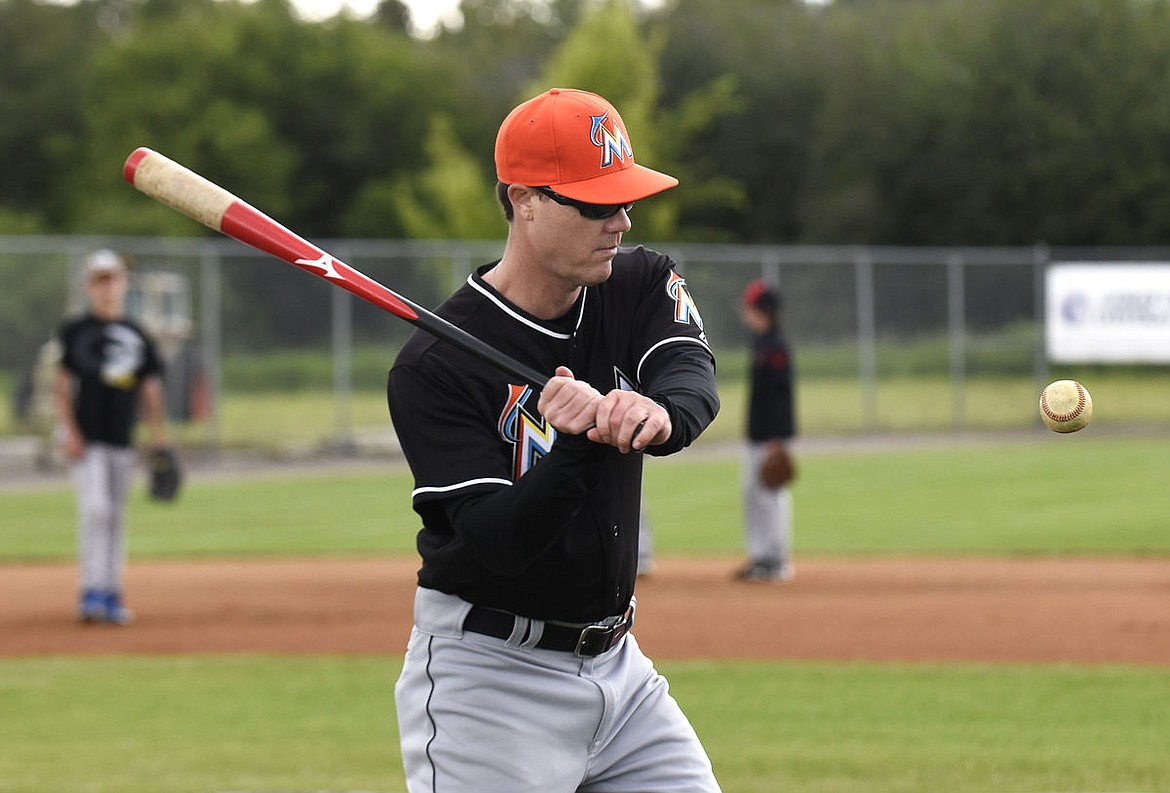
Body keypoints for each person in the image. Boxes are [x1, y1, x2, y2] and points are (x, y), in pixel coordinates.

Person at [387, 88, 722, 793]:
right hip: (490, 681)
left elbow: (691, 376)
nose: (621, 221)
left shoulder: (637, 280)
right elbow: (498, 543)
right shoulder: (436, 365)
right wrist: (577, 444)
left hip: (623, 674)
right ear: (524, 199)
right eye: (595, 204)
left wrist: (654, 414)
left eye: (624, 200)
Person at [52, 250, 169, 625]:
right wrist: (69, 432)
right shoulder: (75, 330)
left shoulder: (138, 334)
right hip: (86, 437)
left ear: (123, 283)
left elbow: (151, 388)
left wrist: (158, 436)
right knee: (95, 510)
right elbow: (60, 385)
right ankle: (90, 592)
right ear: (89, 286)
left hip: (122, 437)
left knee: (116, 515)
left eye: (112, 279)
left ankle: (112, 593)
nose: (106, 287)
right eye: (99, 280)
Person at [734, 279, 797, 583]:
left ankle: (776, 559)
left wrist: (777, 439)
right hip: (757, 435)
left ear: (765, 310)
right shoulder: (761, 343)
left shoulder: (776, 347)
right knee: (753, 493)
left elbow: (782, 397)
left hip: (771, 437)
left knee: (771, 495)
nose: (746, 312)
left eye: (751, 307)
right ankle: (761, 556)